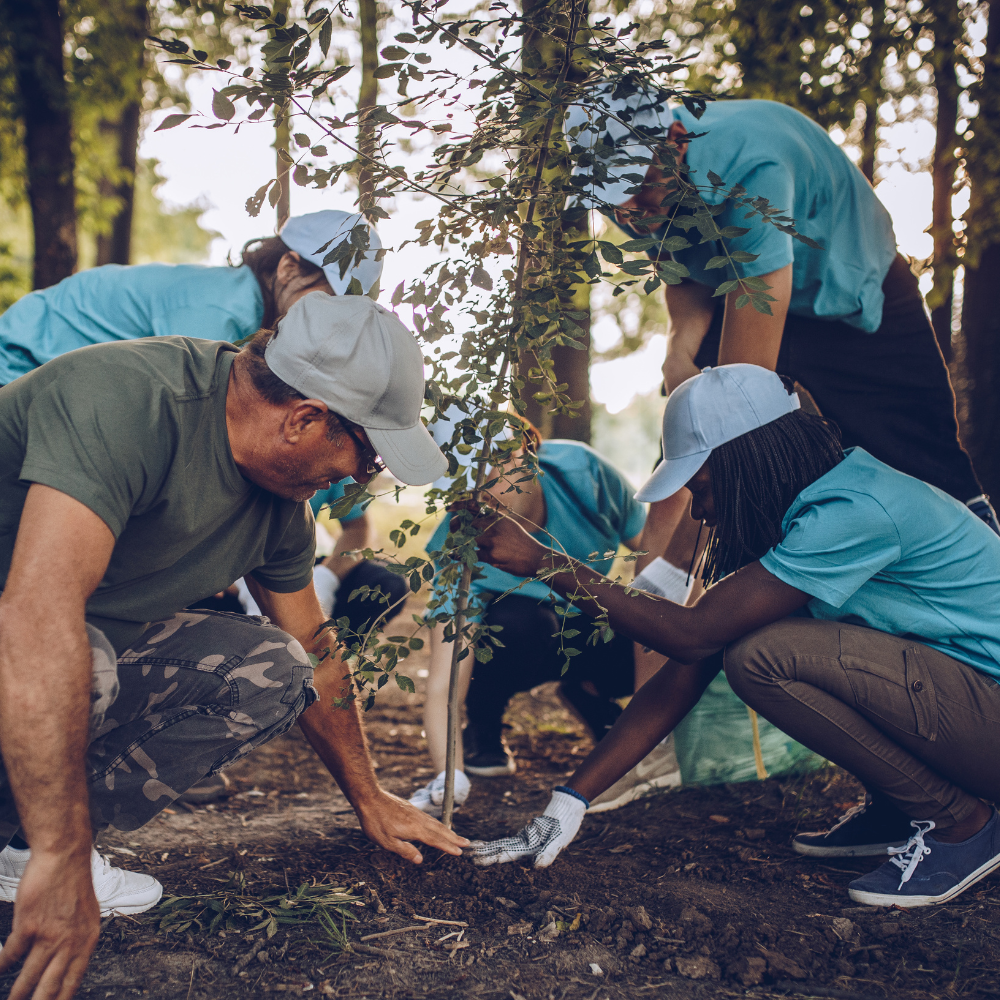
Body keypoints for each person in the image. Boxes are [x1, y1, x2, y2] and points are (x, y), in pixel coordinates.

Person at [0, 293, 466, 998]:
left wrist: (368, 796)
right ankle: (49, 850)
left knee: (274, 670)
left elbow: (314, 650)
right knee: (77, 655)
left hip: (55, 648)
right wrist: (64, 856)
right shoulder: (131, 402)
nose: (355, 478)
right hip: (29, 632)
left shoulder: (280, 510)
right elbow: (37, 617)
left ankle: (17, 847)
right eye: (364, 455)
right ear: (305, 419)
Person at [467, 364, 1000, 909]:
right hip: (969, 712)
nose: (699, 510)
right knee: (757, 650)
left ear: (748, 461)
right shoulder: (810, 513)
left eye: (701, 487)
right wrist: (569, 801)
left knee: (765, 657)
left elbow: (691, 635)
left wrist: (547, 562)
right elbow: (685, 669)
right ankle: (903, 804)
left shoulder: (851, 511)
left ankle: (962, 824)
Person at [566, 94, 999, 565]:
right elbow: (686, 270)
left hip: (849, 291)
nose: (628, 209)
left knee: (919, 455)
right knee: (693, 441)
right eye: (612, 197)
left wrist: (712, 414)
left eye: (638, 184)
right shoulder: (636, 194)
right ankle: (666, 601)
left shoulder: (753, 166)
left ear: (674, 141)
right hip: (736, 286)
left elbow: (735, 408)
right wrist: (677, 353)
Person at [409, 422, 682, 817]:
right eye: (459, 487)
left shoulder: (584, 473)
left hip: (587, 619)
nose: (476, 498)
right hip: (522, 636)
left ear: (524, 453)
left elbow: (657, 564)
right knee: (515, 625)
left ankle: (592, 695)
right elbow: (443, 684)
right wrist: (447, 775)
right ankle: (483, 724)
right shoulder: (462, 543)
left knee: (648, 621)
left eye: (487, 475)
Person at [0, 208, 382, 384]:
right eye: (325, 296)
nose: (328, 316)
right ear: (287, 268)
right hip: (20, 359)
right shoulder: (220, 313)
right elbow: (181, 415)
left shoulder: (245, 308)